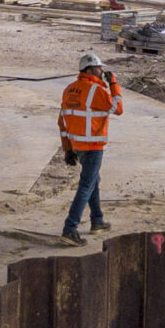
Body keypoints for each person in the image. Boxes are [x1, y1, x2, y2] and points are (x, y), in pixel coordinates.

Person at [56, 53, 123, 241]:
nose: (102, 71)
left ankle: (97, 220)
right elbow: (118, 108)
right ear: (89, 69)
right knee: (86, 185)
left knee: (93, 180)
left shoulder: (69, 89)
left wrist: (67, 149)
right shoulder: (96, 90)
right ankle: (70, 228)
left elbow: (62, 121)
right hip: (93, 146)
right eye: (98, 68)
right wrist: (114, 84)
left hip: (78, 145)